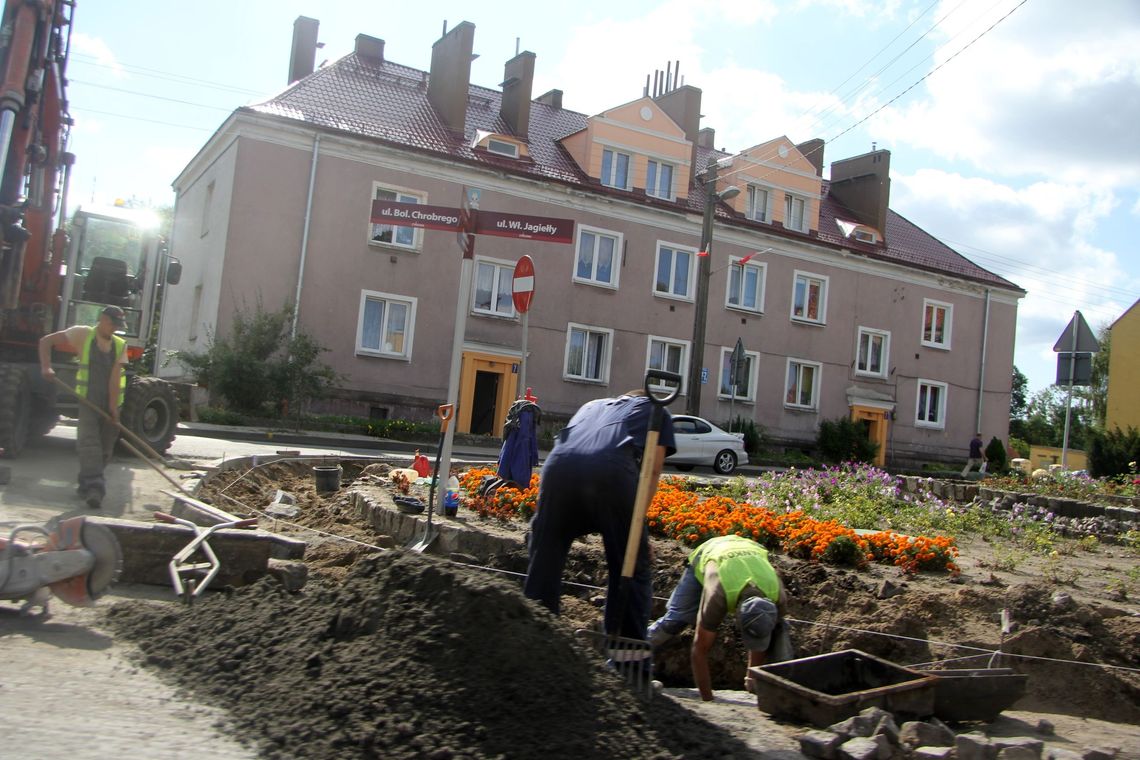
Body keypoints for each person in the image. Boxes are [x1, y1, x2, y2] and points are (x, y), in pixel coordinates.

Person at [523, 390, 676, 641]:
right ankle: (625, 659)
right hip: (610, 473)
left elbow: (565, 448)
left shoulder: (591, 405)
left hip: (558, 471)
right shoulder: (657, 410)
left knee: (544, 560)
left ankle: (539, 642)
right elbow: (654, 470)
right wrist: (637, 533)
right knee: (631, 566)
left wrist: (543, 524)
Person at [648, 534, 789, 701]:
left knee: (765, 628)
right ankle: (631, 653)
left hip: (744, 548)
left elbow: (762, 631)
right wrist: (708, 700)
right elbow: (699, 650)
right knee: (677, 619)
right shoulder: (718, 593)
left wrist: (752, 678)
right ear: (737, 615)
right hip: (711, 553)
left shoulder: (777, 595)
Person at [38, 305, 128, 509]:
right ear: (103, 319)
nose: (115, 329)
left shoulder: (120, 345)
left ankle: (85, 485)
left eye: (118, 325)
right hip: (88, 402)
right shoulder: (82, 334)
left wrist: (113, 409)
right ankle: (95, 488)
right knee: (89, 445)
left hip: (112, 403)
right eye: (112, 324)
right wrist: (46, 366)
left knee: (105, 450)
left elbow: (115, 377)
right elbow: (46, 341)